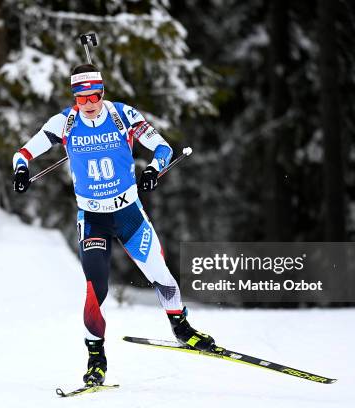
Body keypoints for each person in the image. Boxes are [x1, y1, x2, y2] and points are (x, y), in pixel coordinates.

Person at [12, 64, 214, 385]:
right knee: (95, 289)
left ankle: (180, 327)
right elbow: (22, 153)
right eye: (81, 97)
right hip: (92, 219)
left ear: (103, 92)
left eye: (94, 95)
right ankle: (96, 359)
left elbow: (163, 148)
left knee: (160, 274)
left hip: (128, 213)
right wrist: (21, 170)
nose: (89, 102)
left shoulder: (123, 116)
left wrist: (152, 170)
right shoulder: (64, 122)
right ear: (74, 98)